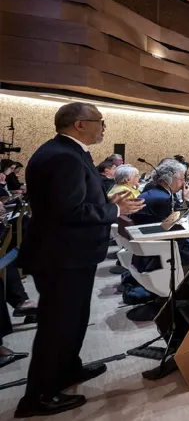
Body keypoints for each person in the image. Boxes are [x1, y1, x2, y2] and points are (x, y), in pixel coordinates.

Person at [17, 102, 145, 417]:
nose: (103, 127)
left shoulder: (68, 153)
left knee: (73, 320)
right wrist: (115, 210)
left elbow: (74, 199)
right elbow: (68, 211)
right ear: (79, 124)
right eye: (99, 122)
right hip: (63, 256)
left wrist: (105, 200)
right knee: (57, 326)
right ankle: (37, 397)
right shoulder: (63, 156)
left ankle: (67, 370)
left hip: (73, 254)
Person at [132, 159, 187, 224]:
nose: (184, 183)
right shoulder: (164, 199)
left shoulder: (153, 191)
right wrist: (186, 200)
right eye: (182, 179)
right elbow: (177, 221)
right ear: (169, 179)